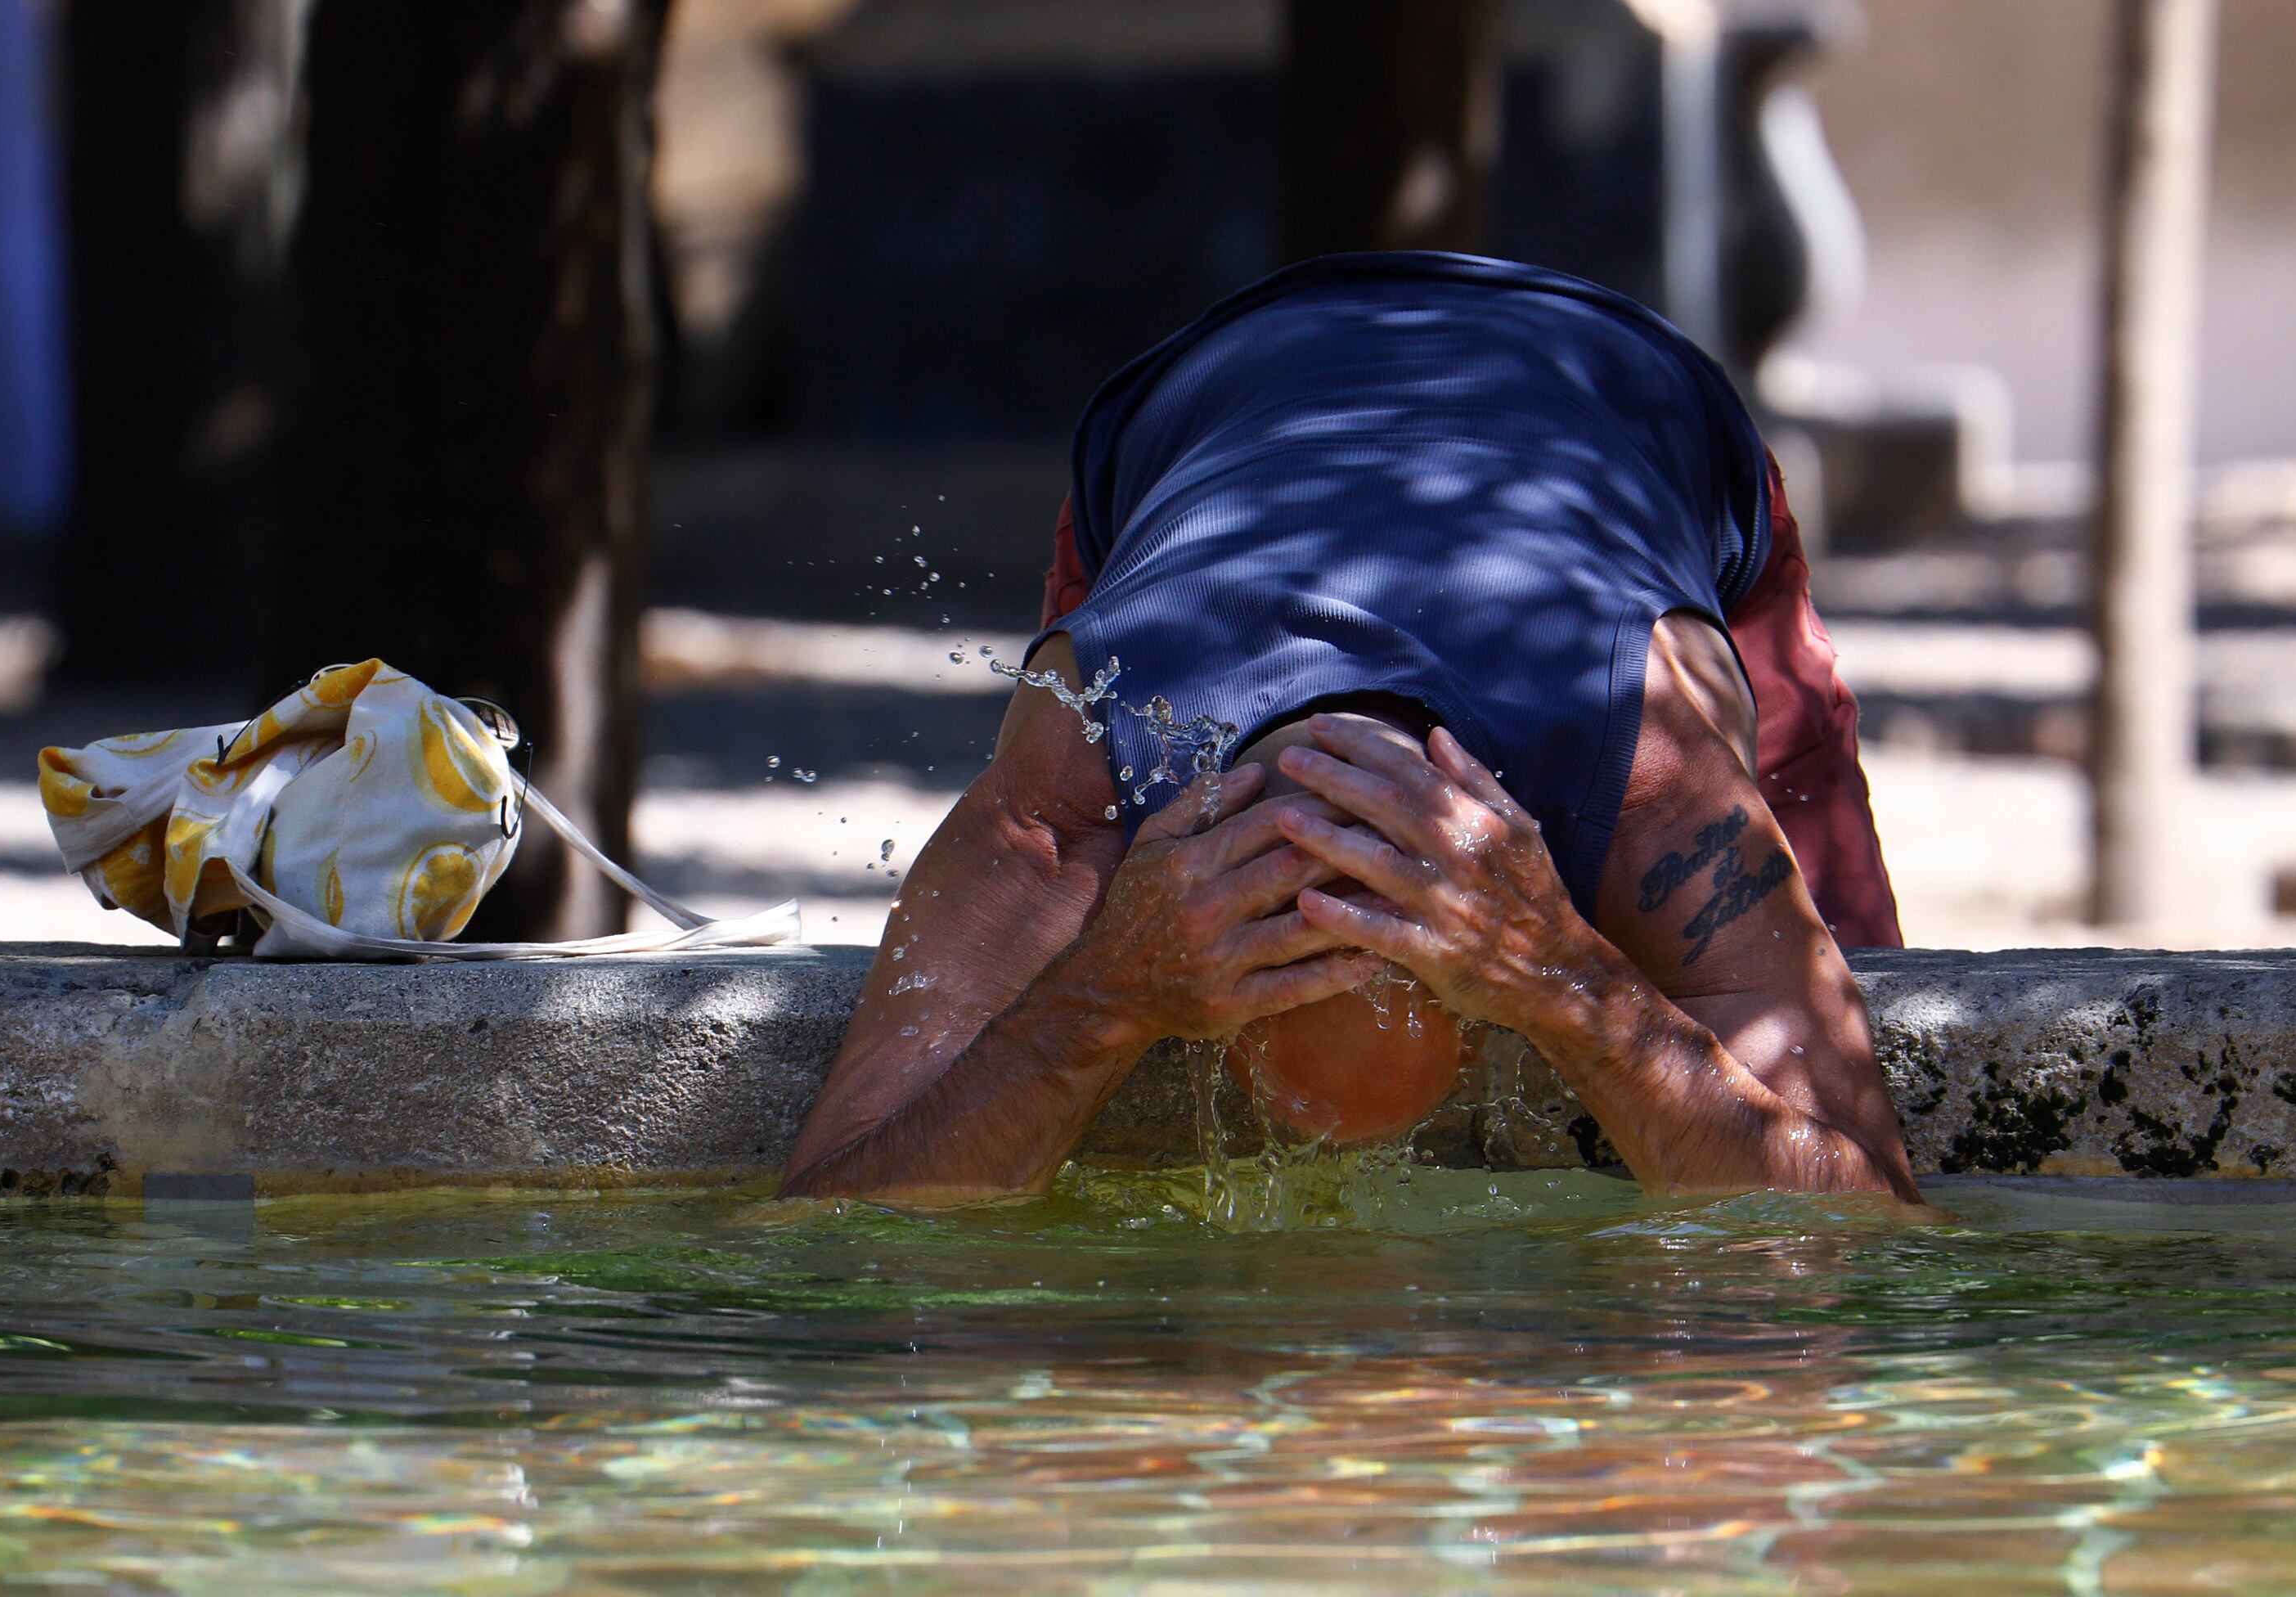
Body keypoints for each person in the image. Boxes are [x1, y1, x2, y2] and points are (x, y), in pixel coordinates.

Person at [781, 253, 1917, 1205]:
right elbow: (826, 1215)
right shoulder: (1080, 777)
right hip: (1206, 399)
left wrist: (1569, 985)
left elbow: (1869, 1215)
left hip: (1629, 389)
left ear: (1485, 1020)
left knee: (1859, 970)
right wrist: (1097, 999)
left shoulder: (1653, 775)